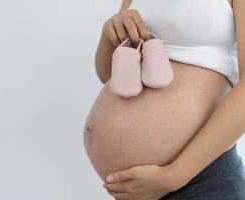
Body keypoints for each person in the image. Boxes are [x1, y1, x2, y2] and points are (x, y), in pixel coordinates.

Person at [93, 0, 245, 199]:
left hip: (201, 181)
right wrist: (110, 34)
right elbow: (109, 75)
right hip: (138, 190)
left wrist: (174, 175)